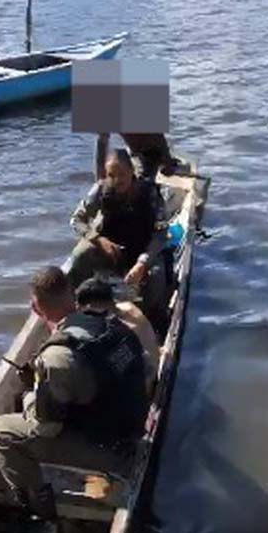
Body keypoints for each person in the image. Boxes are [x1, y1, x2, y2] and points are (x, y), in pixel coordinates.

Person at [0, 266, 148, 522]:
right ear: (73, 295)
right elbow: (146, 369)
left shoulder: (57, 356)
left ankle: (37, 513)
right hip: (133, 432)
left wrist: (31, 394)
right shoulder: (112, 326)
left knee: (2, 432)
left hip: (110, 452)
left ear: (36, 308)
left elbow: (46, 428)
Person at [69, 149, 168, 330]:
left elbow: (161, 233)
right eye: (111, 175)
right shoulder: (100, 189)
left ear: (132, 171)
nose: (117, 180)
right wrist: (98, 240)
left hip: (142, 249)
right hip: (111, 248)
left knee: (157, 276)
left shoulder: (150, 192)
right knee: (79, 256)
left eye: (122, 174)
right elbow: (76, 220)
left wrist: (142, 263)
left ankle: (153, 324)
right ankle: (76, 309)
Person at [75, 276, 160, 394]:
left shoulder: (118, 331)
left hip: (144, 393)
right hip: (152, 378)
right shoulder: (128, 307)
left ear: (89, 307)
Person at [95, 133, 184, 181]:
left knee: (145, 183)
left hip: (152, 151)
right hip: (134, 151)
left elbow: (159, 138)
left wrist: (167, 161)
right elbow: (102, 142)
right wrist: (100, 177)